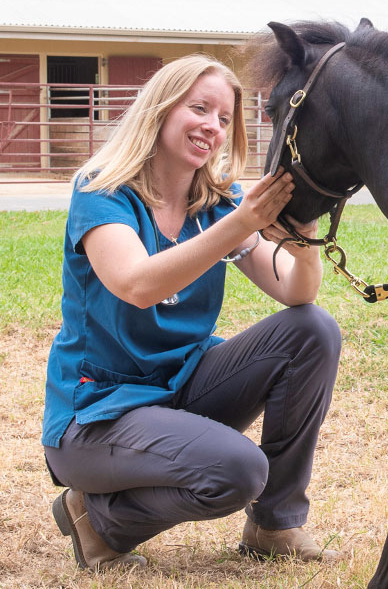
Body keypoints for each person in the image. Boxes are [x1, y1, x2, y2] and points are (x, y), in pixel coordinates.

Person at [42, 54, 342, 571]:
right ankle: (96, 519)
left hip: (180, 391)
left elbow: (297, 293)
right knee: (237, 471)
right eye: (199, 108)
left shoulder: (217, 205)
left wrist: (305, 237)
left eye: (224, 119)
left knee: (312, 330)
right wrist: (239, 224)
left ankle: (275, 523)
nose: (212, 127)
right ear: (160, 108)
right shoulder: (102, 192)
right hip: (97, 416)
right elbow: (137, 285)